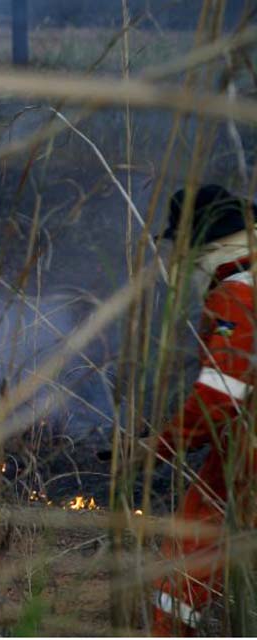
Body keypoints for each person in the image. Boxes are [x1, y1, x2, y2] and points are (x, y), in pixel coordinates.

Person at [151, 184, 257, 635]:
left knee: (194, 545)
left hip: (247, 452)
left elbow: (218, 399)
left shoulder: (237, 294)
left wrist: (157, 448)